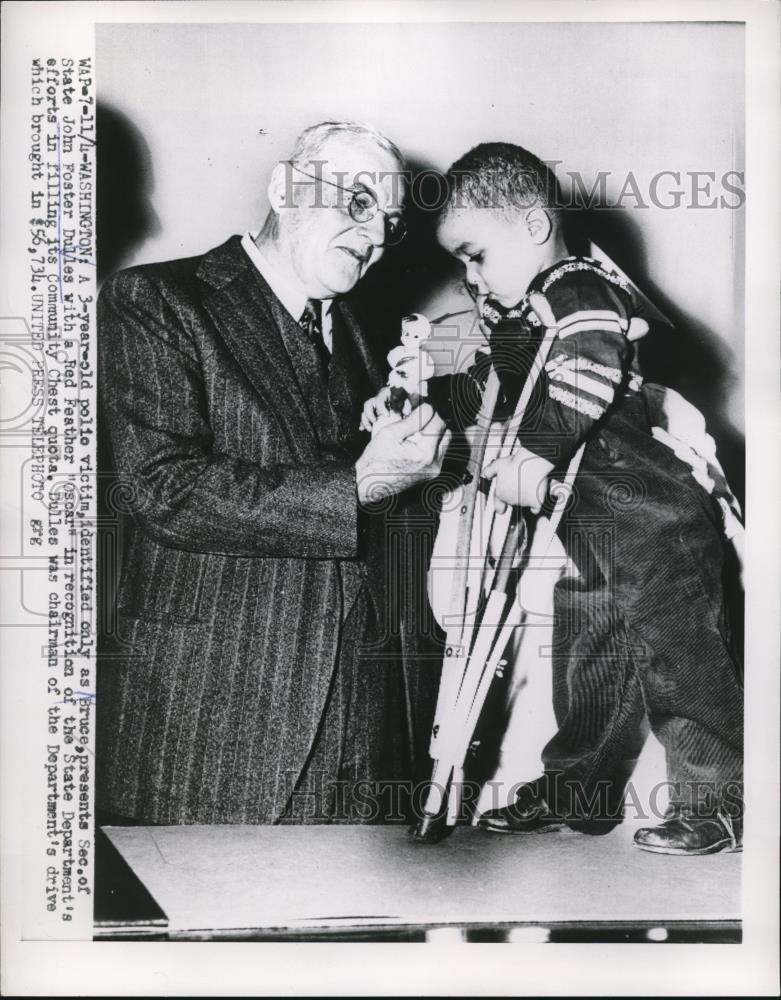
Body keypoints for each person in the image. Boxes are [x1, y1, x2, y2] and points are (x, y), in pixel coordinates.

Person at [96, 121, 450, 826]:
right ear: (285, 188)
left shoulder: (354, 330)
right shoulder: (156, 300)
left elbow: (327, 481)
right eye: (355, 203)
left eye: (387, 221)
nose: (374, 235)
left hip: (359, 721)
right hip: (215, 722)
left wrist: (387, 445)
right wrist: (360, 484)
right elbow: (165, 488)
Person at [420, 142, 743, 855]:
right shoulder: (528, 314)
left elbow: (590, 366)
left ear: (533, 226)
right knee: (590, 657)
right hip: (593, 527)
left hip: (656, 520)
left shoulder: (577, 287)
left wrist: (533, 453)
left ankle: (718, 804)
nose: (468, 274)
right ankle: (579, 791)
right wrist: (432, 394)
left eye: (475, 253)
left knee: (678, 659)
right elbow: (498, 385)